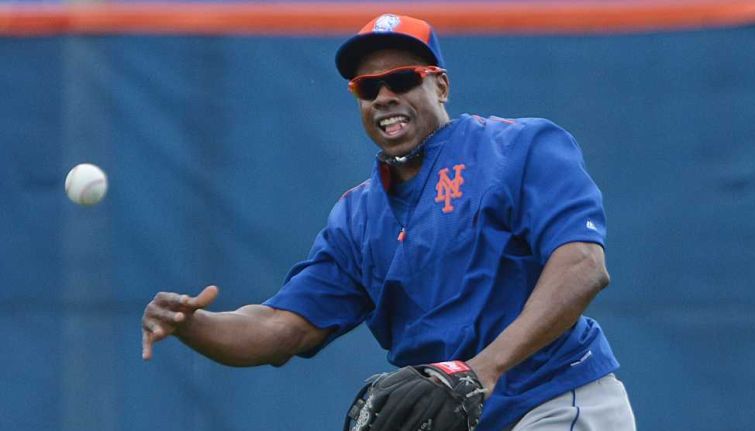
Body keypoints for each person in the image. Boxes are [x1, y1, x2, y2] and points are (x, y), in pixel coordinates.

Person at [141, 13, 636, 430]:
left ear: (439, 84)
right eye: (367, 87)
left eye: (401, 80)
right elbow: (280, 327)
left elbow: (582, 265)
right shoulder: (357, 217)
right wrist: (195, 326)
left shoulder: (518, 148)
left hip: (554, 399)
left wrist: (482, 370)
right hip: (458, 416)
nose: (383, 97)